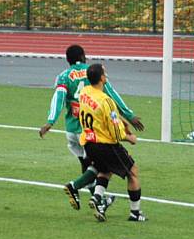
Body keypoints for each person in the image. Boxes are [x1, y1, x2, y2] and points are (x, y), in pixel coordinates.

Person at [38, 44, 144, 210]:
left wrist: (50, 122)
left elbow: (58, 98)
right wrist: (129, 116)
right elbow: (112, 95)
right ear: (83, 56)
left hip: (73, 131)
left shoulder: (64, 77)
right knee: (100, 165)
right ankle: (82, 191)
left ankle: (97, 198)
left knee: (91, 164)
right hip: (93, 132)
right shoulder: (92, 73)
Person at [79, 63, 146, 222]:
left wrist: (121, 120)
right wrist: (130, 139)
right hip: (105, 144)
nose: (106, 75)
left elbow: (107, 115)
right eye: (105, 73)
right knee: (133, 172)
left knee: (105, 169)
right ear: (102, 78)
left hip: (89, 143)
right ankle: (135, 214)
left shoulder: (84, 93)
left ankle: (97, 199)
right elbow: (116, 134)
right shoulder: (106, 101)